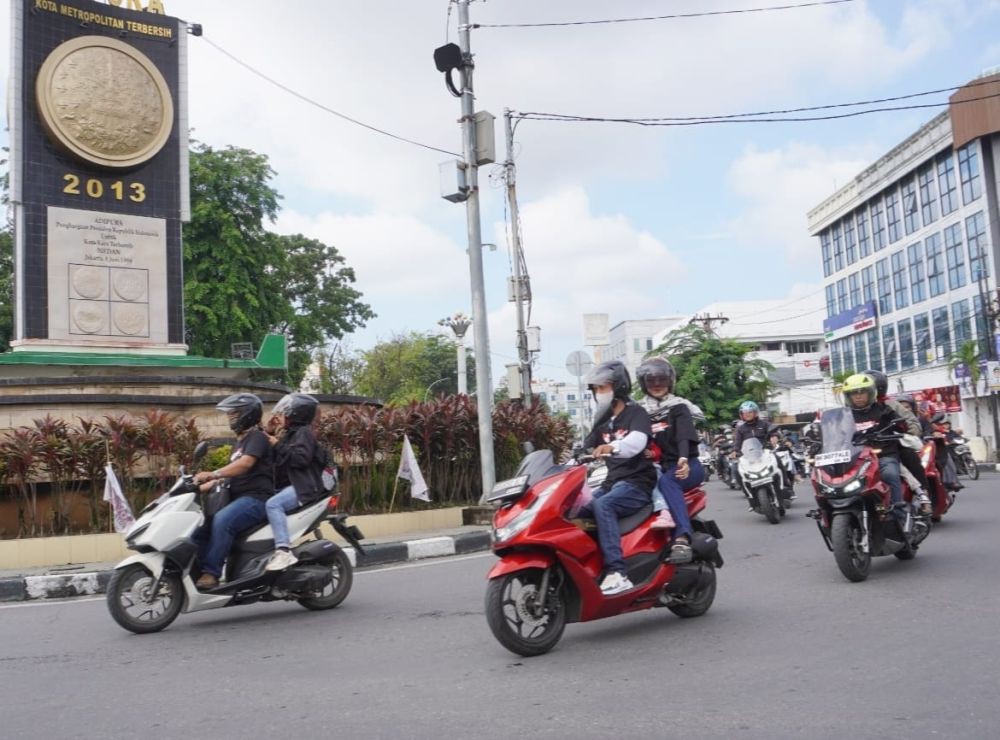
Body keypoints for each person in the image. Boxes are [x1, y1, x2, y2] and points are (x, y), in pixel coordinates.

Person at [577, 361, 657, 596]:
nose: (599, 393)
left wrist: (611, 447)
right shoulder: (602, 420)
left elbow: (637, 442)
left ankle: (617, 572)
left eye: (603, 387)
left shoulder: (636, 413)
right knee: (577, 510)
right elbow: (584, 449)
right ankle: (589, 568)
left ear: (619, 386)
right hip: (612, 483)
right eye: (596, 389)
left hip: (637, 483)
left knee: (603, 505)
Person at [192, 394, 275, 589]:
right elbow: (228, 476)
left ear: (247, 414)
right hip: (236, 497)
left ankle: (211, 573)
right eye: (228, 414)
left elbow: (244, 465)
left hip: (257, 499)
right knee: (202, 526)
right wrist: (195, 487)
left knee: (223, 519)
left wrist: (212, 474)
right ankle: (194, 570)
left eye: (234, 413)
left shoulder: (257, 437)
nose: (230, 418)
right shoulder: (239, 443)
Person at [635, 357, 701, 564]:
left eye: (661, 380)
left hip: (686, 466)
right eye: (651, 381)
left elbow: (684, 436)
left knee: (667, 481)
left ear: (670, 381)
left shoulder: (679, 407)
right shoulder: (638, 412)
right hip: (657, 467)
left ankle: (681, 538)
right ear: (644, 384)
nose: (656, 385)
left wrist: (682, 458)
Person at [263, 393, 328, 571]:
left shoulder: (303, 433)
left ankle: (283, 551)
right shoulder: (290, 435)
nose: (280, 417)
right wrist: (268, 432)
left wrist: (277, 444)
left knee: (273, 505)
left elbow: (301, 459)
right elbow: (272, 456)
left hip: (304, 488)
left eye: (284, 413)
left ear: (295, 415)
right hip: (290, 487)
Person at [864, 371, 932, 513]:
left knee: (908, 456)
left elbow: (913, 424)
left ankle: (922, 493)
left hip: (888, 445)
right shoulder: (853, 409)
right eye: (855, 392)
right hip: (862, 450)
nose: (859, 394)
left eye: (864, 389)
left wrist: (901, 431)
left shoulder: (890, 405)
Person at [841, 374, 906, 508]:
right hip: (854, 459)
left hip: (882, 454)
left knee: (890, 474)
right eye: (853, 393)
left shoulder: (884, 409)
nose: (858, 396)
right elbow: (836, 432)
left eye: (862, 392)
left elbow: (902, 426)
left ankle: (899, 511)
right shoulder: (845, 415)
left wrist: (898, 424)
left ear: (871, 392)